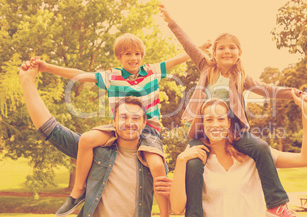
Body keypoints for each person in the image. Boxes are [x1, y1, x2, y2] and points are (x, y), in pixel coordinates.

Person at [25, 34, 210, 216]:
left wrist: (199, 48)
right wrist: (47, 67)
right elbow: (79, 76)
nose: (134, 58)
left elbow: (178, 58)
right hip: (118, 129)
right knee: (87, 139)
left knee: (157, 166)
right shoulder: (111, 76)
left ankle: (163, 214)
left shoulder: (152, 71)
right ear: (119, 57)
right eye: (128, 54)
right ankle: (78, 190)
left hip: (149, 132)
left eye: (137, 54)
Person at [159, 5, 307, 217]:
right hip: (202, 131)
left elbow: (267, 89)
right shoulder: (206, 67)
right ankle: (194, 213)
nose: (226, 51)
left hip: (233, 131)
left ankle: (276, 203)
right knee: (194, 164)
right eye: (221, 48)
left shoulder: (241, 77)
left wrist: (294, 93)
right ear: (213, 52)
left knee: (260, 148)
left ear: (239, 53)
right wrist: (170, 21)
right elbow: (187, 44)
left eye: (232, 47)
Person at [19, 65, 173, 217]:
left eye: (136, 118)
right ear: (113, 121)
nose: (129, 123)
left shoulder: (153, 162)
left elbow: (176, 201)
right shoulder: (96, 151)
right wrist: (27, 82)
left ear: (144, 122)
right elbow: (51, 129)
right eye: (124, 117)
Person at [170, 96, 307, 217]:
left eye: (221, 119)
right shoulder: (195, 161)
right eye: (209, 119)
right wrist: (181, 161)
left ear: (229, 122)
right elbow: (177, 209)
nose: (215, 124)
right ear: (202, 124)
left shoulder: (255, 156)